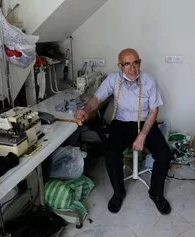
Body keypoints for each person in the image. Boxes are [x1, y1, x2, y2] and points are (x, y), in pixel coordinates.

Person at [74, 48, 172, 214]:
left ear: (140, 62)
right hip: (121, 123)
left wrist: (142, 135)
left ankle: (156, 194)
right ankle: (118, 193)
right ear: (120, 66)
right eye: (127, 64)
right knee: (111, 155)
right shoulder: (113, 79)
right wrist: (86, 110)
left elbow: (154, 111)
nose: (133, 68)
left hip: (146, 122)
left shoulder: (149, 80)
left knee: (164, 154)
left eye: (136, 63)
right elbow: (97, 98)